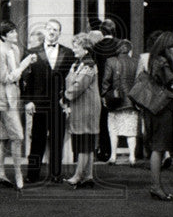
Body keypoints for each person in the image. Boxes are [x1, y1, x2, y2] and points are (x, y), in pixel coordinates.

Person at [21, 18, 75, 183]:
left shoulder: (68, 53)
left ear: (59, 33)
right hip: (38, 102)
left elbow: (70, 79)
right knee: (37, 139)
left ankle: (56, 174)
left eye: (55, 30)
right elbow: (24, 80)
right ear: (45, 31)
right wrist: (27, 101)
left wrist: (67, 101)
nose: (52, 32)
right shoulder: (31, 52)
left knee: (57, 138)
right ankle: (32, 174)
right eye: (49, 29)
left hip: (58, 101)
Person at [0, 19, 38, 190]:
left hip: (13, 99)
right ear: (3, 36)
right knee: (17, 137)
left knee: (3, 139)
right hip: (3, 100)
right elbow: (6, 78)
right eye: (11, 32)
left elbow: (15, 76)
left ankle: (0, 174)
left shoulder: (15, 49)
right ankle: (17, 173)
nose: (15, 34)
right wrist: (25, 64)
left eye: (15, 31)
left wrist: (25, 65)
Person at [139, 31, 173, 201]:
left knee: (156, 148)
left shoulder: (151, 60)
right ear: (167, 47)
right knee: (159, 148)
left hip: (152, 108)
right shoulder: (163, 62)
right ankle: (156, 187)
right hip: (162, 109)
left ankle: (156, 186)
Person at [62, 32, 101, 188]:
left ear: (85, 48)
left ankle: (78, 176)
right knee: (87, 142)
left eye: (76, 46)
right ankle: (88, 175)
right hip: (82, 107)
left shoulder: (88, 65)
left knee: (84, 142)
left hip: (87, 108)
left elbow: (79, 85)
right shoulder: (78, 63)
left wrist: (65, 97)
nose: (74, 50)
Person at [101, 38, 138, 165]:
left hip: (115, 100)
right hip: (131, 100)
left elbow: (106, 81)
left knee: (114, 129)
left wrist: (104, 95)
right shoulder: (136, 62)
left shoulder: (111, 61)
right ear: (129, 50)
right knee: (130, 131)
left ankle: (113, 156)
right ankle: (132, 157)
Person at [92, 19, 121, 160]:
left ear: (102, 31)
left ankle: (104, 150)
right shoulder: (120, 45)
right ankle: (115, 150)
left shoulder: (96, 47)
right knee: (117, 118)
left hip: (101, 85)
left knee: (103, 119)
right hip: (117, 85)